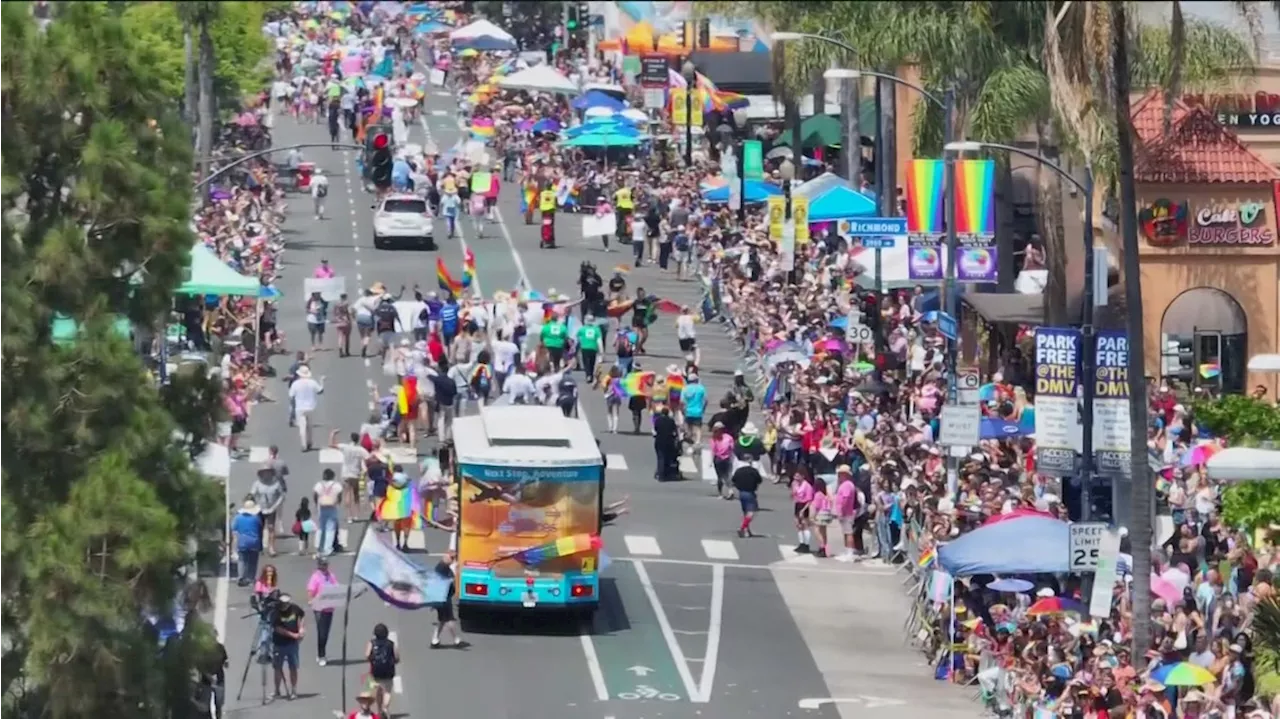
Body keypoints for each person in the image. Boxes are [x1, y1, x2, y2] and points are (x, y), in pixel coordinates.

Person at [270, 593, 305, 701]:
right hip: (279, 644)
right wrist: (293, 635)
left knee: (293, 667)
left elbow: (301, 616)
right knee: (278, 667)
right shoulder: (276, 613)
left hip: (292, 645)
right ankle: (277, 690)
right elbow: (278, 629)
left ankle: (294, 690)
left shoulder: (295, 609)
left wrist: (301, 628)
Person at [430, 552, 467, 648]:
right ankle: (456, 640)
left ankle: (435, 639)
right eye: (451, 558)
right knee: (449, 619)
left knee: (442, 620)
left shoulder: (444, 567)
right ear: (445, 558)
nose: (453, 560)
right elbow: (439, 583)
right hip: (443, 599)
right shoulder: (441, 568)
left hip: (443, 598)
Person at [306, 557, 339, 665]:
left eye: (326, 564)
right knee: (322, 633)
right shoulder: (315, 577)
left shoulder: (331, 576)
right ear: (319, 565)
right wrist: (311, 600)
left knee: (326, 632)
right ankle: (321, 655)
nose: (325, 567)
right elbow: (311, 591)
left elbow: (336, 587)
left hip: (329, 607)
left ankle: (322, 652)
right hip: (319, 608)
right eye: (323, 565)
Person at [366, 623, 400, 717]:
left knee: (378, 691)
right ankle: (385, 708)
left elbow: (367, 655)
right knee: (387, 691)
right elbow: (397, 657)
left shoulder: (371, 642)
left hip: (376, 670)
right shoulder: (391, 643)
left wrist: (372, 660)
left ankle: (379, 710)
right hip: (388, 670)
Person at [288, 366, 325, 451]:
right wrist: (322, 381)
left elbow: (291, 396)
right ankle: (310, 442)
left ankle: (303, 445)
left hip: (300, 408)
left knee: (302, 427)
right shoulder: (312, 382)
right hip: (311, 407)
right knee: (309, 426)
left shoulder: (295, 384)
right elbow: (320, 391)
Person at [231, 499, 263, 586]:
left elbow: (234, 530)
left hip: (242, 541)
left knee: (242, 560)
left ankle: (241, 577)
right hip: (254, 541)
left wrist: (233, 546)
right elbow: (260, 530)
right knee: (253, 561)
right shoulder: (256, 518)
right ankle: (251, 578)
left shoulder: (238, 518)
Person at [313, 467, 343, 556]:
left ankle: (319, 546)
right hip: (332, 507)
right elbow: (339, 496)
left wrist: (316, 503)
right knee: (330, 528)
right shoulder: (336, 485)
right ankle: (328, 549)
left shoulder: (319, 485)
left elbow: (315, 495)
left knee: (321, 528)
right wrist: (338, 502)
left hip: (322, 507)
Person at [731, 458, 763, 538]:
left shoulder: (738, 471)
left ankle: (747, 531)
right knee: (751, 512)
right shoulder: (753, 471)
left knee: (746, 512)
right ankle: (742, 527)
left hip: (741, 493)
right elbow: (759, 480)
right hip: (750, 493)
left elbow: (733, 481)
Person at [710, 421, 736, 500]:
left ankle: (724, 492)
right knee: (724, 476)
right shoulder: (727, 437)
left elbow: (714, 451)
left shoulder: (717, 438)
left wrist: (711, 461)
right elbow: (731, 448)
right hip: (723, 458)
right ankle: (727, 491)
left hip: (722, 459)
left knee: (723, 476)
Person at [653, 406, 679, 481]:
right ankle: (666, 473)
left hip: (659, 441)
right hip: (669, 441)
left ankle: (660, 474)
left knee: (660, 458)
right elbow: (675, 430)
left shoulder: (658, 420)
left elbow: (656, 428)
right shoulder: (671, 421)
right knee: (667, 457)